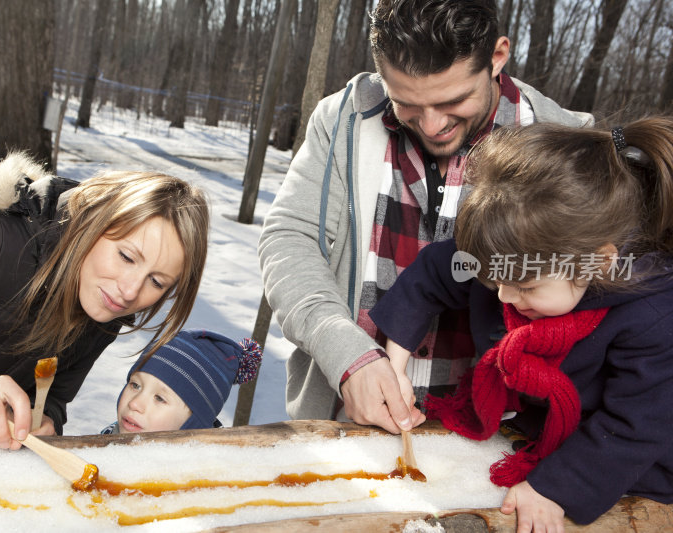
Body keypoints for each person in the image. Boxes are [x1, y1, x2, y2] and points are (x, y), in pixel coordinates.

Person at [258, 0, 593, 435]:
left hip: (503, 441)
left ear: (497, 56)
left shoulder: (568, 146)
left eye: (453, 100)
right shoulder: (341, 121)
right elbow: (289, 242)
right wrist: (344, 353)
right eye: (407, 104)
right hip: (346, 425)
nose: (432, 125)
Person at [369, 117, 673, 529]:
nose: (504, 297)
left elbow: (633, 427)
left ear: (598, 261)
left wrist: (555, 489)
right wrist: (396, 363)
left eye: (526, 287)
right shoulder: (509, 254)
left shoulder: (654, 315)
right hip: (539, 438)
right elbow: (436, 272)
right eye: (492, 279)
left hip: (634, 471)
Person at [0, 152, 209, 449]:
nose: (131, 290)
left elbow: (54, 392)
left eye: (157, 281)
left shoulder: (104, 305)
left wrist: (43, 418)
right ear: (92, 223)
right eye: (126, 256)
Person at [101, 329, 262, 433]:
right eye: (135, 385)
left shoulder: (196, 481)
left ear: (194, 425)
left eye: (159, 398)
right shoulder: (104, 442)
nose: (134, 403)